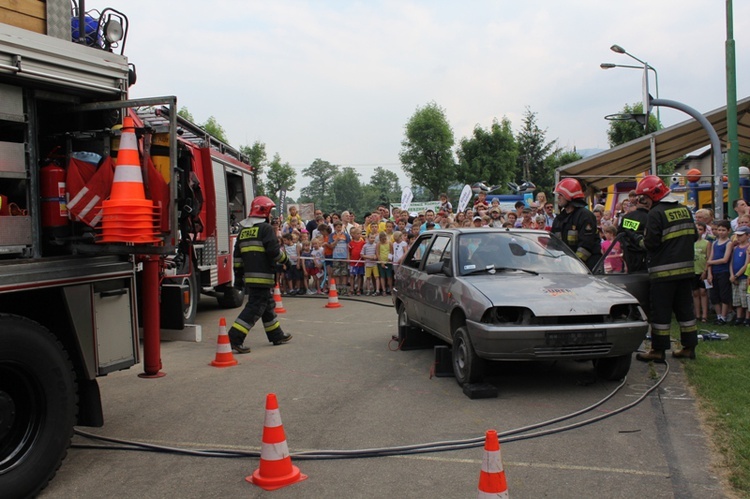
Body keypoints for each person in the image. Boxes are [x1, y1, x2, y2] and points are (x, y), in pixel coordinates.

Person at [633, 175, 698, 362]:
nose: (642, 201)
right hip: (686, 272)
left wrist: (637, 240)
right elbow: (693, 236)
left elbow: (651, 243)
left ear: (653, 195)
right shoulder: (684, 210)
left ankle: (658, 351)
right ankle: (689, 347)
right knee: (685, 311)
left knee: (660, 313)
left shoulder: (656, 213)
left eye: (643, 197)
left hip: (663, 273)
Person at [228, 196, 292, 354]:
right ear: (265, 212)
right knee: (255, 308)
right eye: (270, 211)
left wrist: (238, 278)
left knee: (267, 305)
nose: (271, 216)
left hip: (250, 278)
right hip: (263, 277)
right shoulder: (265, 229)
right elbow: (274, 252)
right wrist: (287, 261)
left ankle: (276, 335)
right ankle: (234, 338)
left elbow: (237, 257)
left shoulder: (243, 231)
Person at [551, 178, 601, 271]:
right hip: (567, 267)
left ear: (570, 196)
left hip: (587, 268)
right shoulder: (559, 219)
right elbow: (554, 244)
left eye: (561, 195)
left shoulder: (585, 216)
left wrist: (574, 265)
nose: (558, 197)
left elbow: (585, 247)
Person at [707, 219, 733, 325]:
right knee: (714, 295)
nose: (721, 232)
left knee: (724, 295)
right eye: (719, 230)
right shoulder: (715, 243)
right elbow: (710, 257)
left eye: (723, 230)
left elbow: (725, 259)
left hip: (724, 271)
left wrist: (711, 262)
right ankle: (718, 315)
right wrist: (709, 272)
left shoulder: (729, 243)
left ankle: (723, 316)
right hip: (714, 271)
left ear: (728, 231)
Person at [619, 194, 649, 272]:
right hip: (643, 255)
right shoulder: (649, 217)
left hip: (628, 254)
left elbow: (619, 234)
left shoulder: (626, 217)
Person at [729, 226, 750, 325]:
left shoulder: (748, 248)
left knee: (744, 298)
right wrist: (732, 275)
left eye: (741, 235)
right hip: (735, 277)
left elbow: (746, 264)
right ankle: (738, 316)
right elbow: (731, 262)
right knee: (736, 298)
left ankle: (747, 317)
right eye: (737, 235)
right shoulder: (735, 248)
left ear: (747, 236)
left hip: (743, 277)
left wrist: (736, 275)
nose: (738, 237)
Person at [692, 222, 711, 323]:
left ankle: (705, 314)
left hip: (702, 270)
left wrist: (705, 271)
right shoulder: (690, 243)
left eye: (700, 229)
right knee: (695, 293)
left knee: (703, 292)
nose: (698, 231)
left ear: (704, 231)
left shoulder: (706, 243)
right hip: (693, 271)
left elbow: (708, 257)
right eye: (696, 229)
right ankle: (697, 314)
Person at [348, 227, 366, 295]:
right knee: (352, 276)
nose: (359, 235)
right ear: (354, 235)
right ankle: (352, 288)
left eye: (360, 234)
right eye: (357, 234)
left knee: (359, 276)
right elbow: (349, 252)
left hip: (360, 262)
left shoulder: (363, 243)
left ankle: (358, 289)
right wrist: (349, 259)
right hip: (353, 262)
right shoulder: (351, 243)